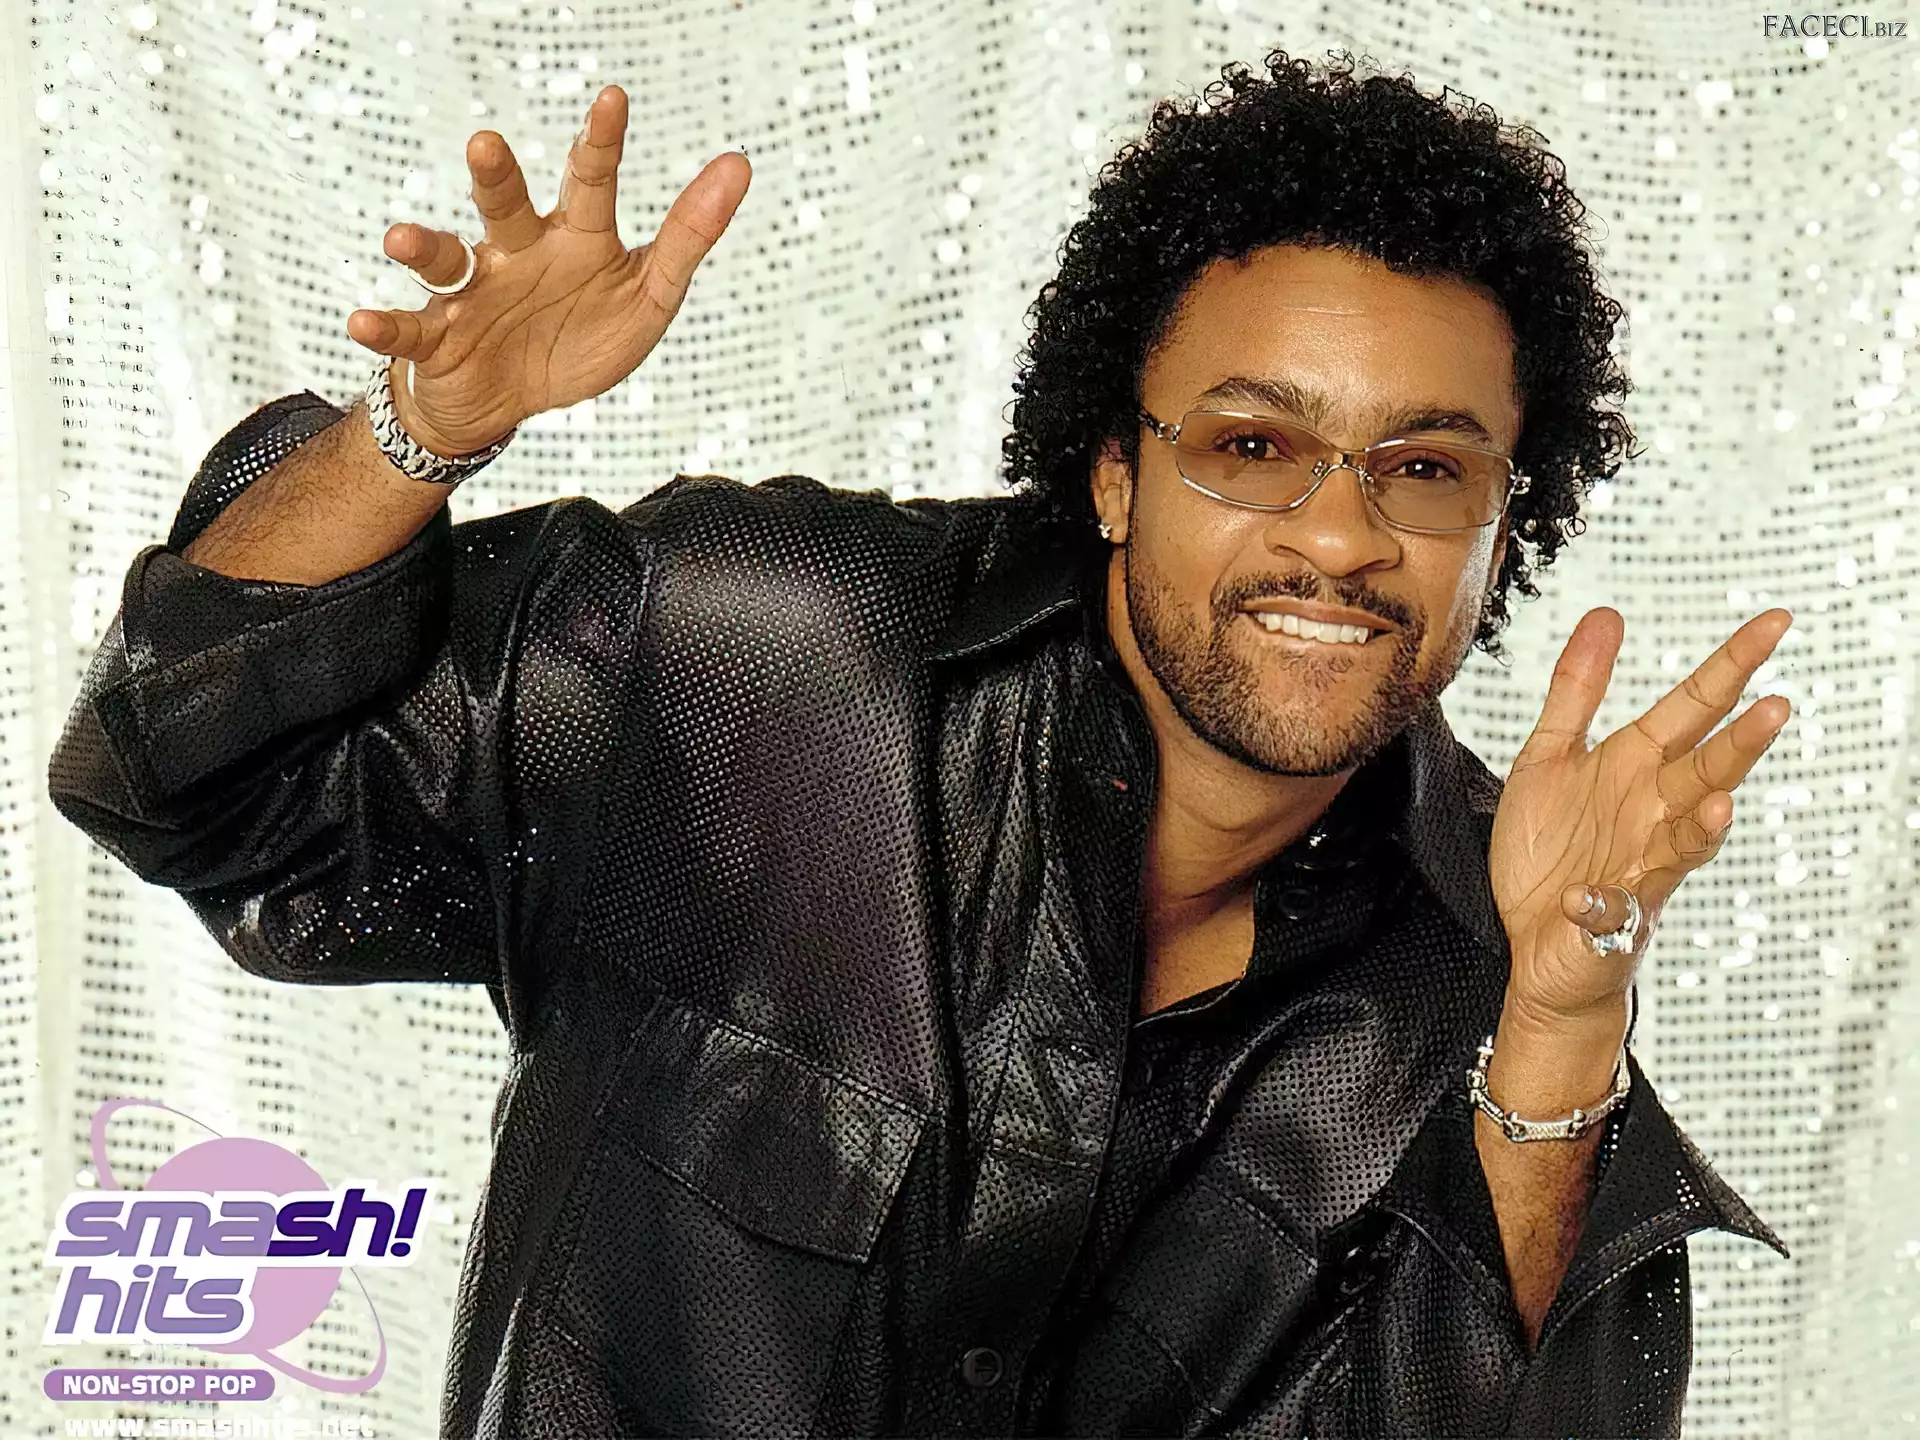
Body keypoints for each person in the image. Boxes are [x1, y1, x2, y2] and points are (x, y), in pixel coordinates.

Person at [50, 49, 1792, 1439]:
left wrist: (1564, 1027)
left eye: (1424, 470)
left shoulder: (1501, 969)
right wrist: (424, 426)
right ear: (1113, 473)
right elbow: (182, 778)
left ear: (1504, 525)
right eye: (1252, 447)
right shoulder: (748, 659)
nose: (1338, 537)